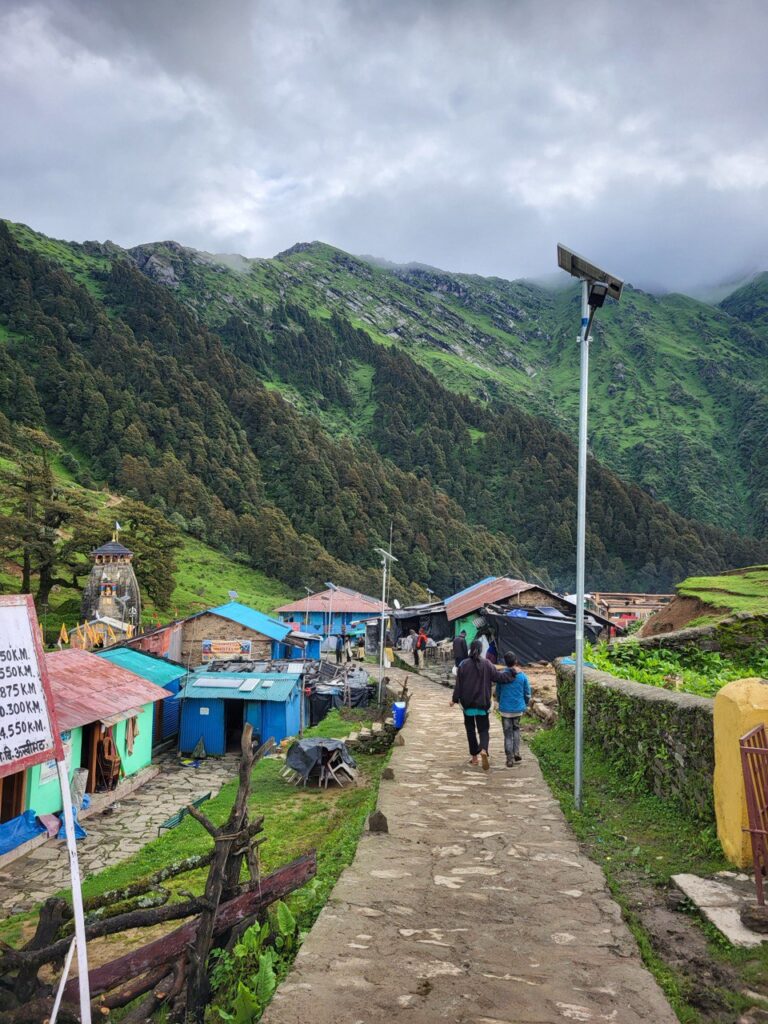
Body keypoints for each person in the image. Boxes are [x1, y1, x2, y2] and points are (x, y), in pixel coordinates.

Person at [450, 639, 503, 770]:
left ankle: (474, 758)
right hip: (483, 703)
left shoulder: (463, 665)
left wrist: (454, 699)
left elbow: (459, 686)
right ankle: (484, 749)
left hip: (468, 705)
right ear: (481, 650)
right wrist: (512, 673)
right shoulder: (488, 664)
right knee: (483, 729)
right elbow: (498, 677)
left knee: (470, 730)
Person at [495, 652, 531, 767]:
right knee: (516, 730)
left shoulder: (502, 675)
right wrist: (523, 703)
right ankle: (516, 752)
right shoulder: (522, 676)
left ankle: (509, 758)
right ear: (516, 661)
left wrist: (501, 702)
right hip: (517, 709)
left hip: (505, 710)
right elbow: (527, 693)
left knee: (507, 734)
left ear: (505, 662)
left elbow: (498, 693)